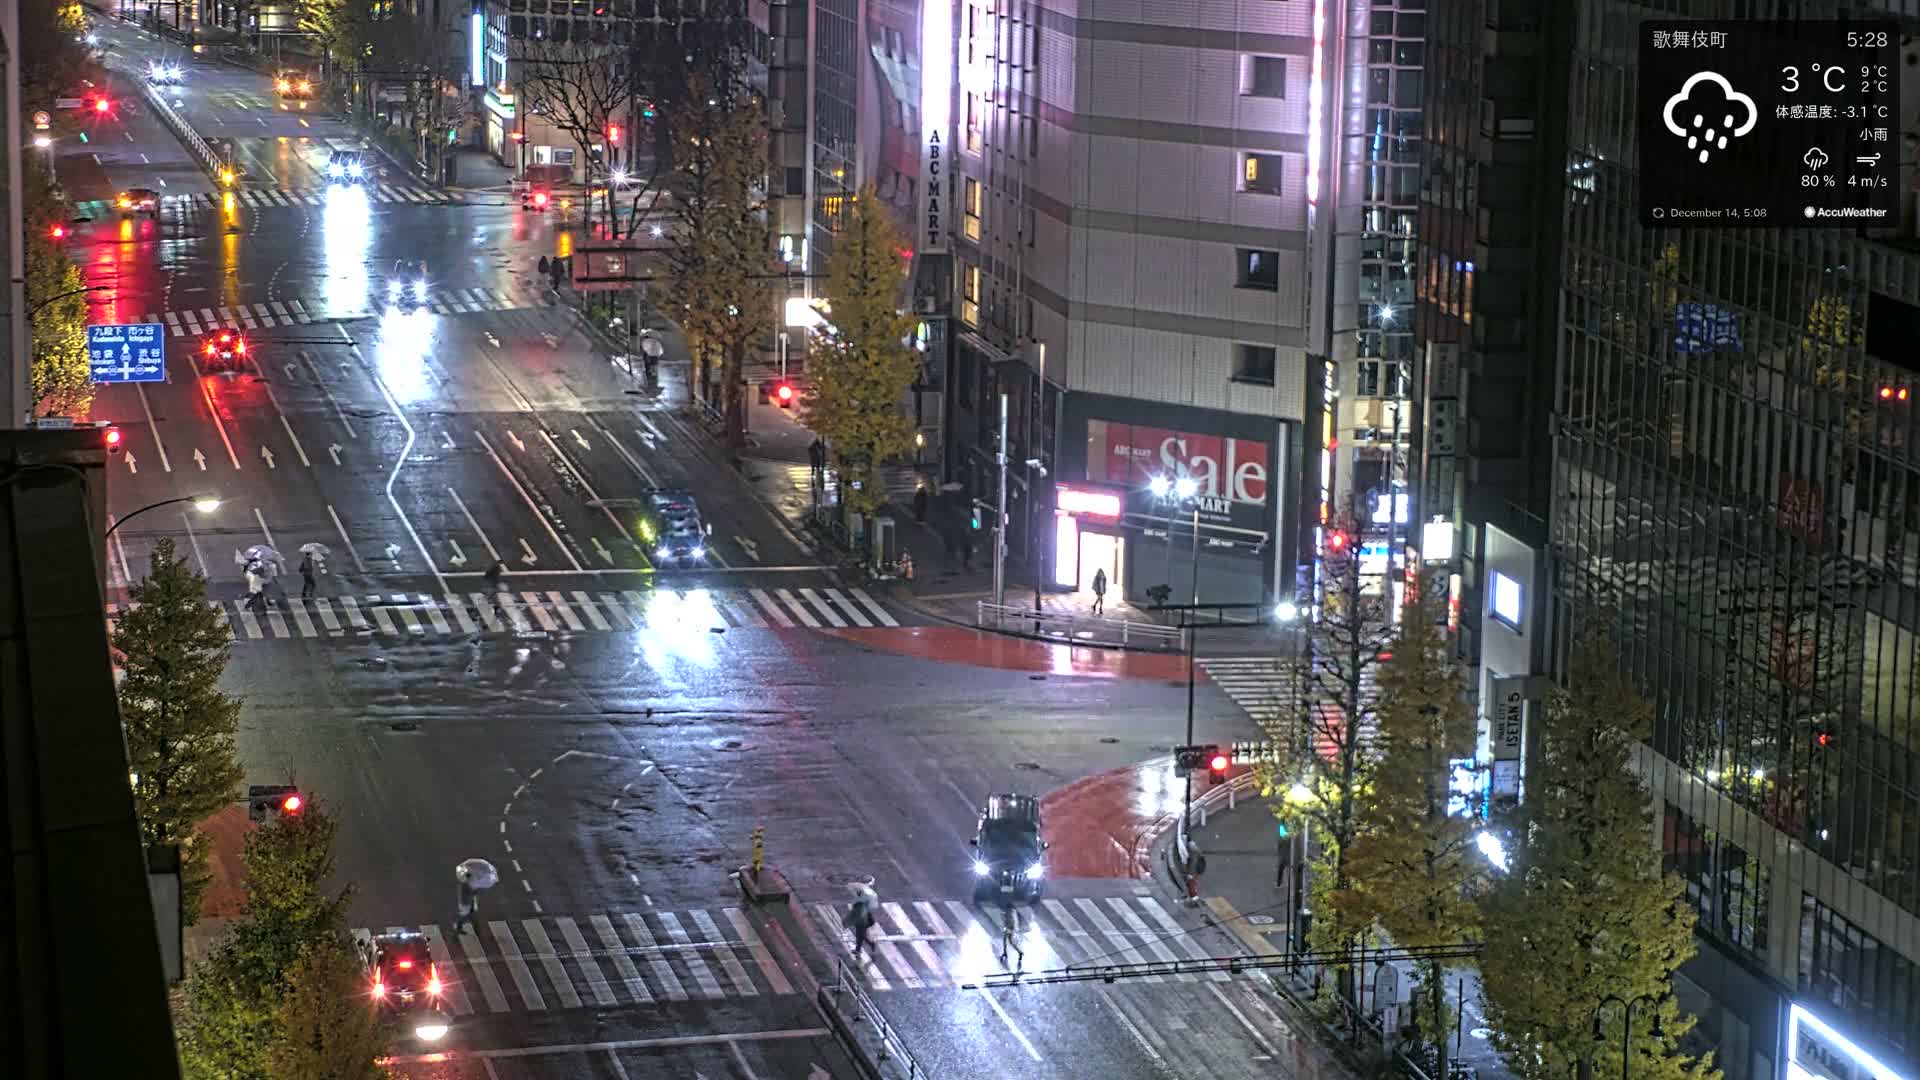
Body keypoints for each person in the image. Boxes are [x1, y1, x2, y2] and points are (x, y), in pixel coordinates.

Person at [843, 887, 878, 958]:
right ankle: (860, 948)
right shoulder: (861, 902)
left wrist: (848, 921)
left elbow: (857, 914)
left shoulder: (860, 904)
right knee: (860, 936)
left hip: (862, 923)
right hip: (861, 922)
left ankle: (868, 945)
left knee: (860, 936)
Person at [454, 867, 478, 933]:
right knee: (464, 914)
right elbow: (470, 892)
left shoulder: (466, 883)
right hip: (465, 902)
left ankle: (473, 924)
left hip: (469, 901)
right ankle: (458, 927)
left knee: (472, 912)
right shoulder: (465, 884)